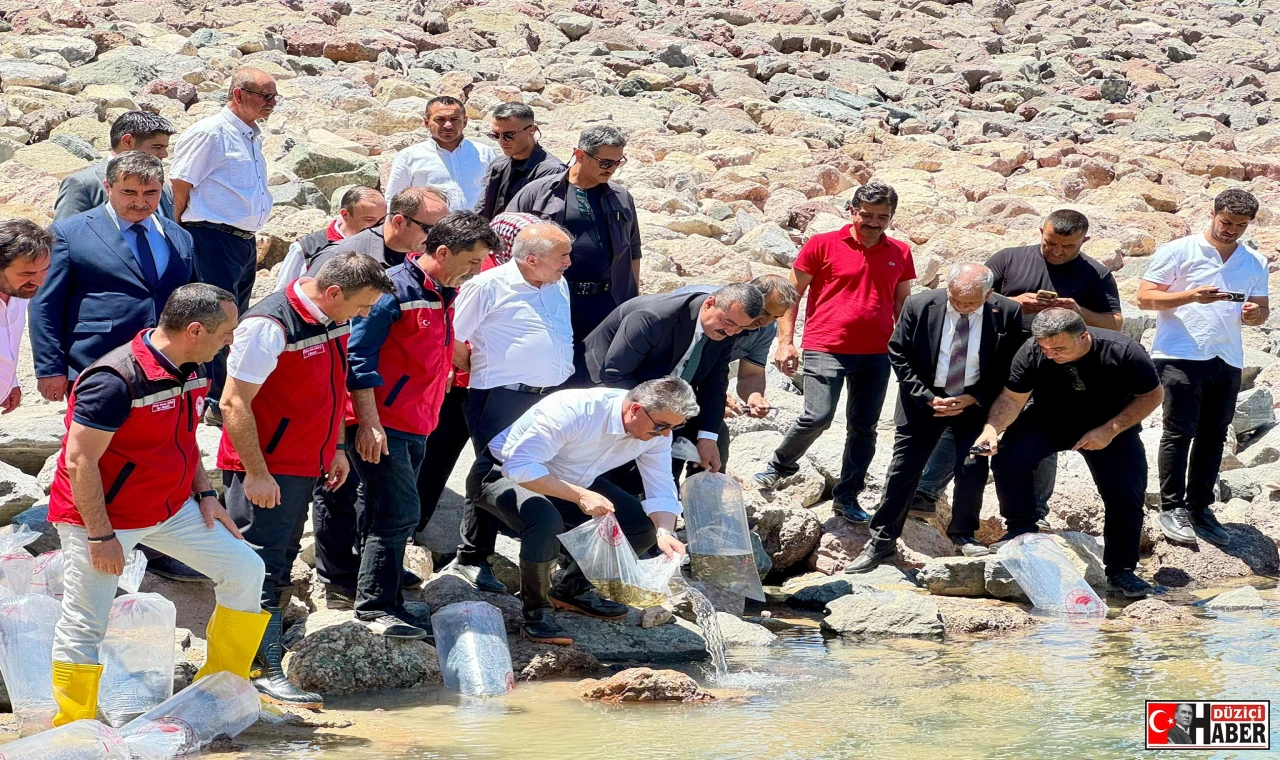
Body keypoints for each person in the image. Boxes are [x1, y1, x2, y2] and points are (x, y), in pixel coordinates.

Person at [46, 284, 267, 727]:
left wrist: (206, 494)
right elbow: (79, 459)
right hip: (103, 517)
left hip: (169, 508)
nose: (230, 341)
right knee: (85, 622)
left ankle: (224, 690)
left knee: (245, 569)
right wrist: (100, 536)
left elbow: (183, 438)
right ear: (195, 329)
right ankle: (73, 728)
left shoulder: (196, 365)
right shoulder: (114, 379)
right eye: (226, 332)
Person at [217, 252, 393, 708]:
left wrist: (335, 446)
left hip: (305, 460)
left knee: (279, 560)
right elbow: (233, 403)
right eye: (359, 308)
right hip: (268, 467)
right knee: (259, 564)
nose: (362, 316)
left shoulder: (330, 317)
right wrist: (256, 473)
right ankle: (256, 669)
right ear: (333, 292)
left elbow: (331, 386)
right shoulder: (270, 326)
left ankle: (260, 662)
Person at [315, 213, 494, 639]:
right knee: (399, 512)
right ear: (444, 252)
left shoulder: (442, 291)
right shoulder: (394, 290)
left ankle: (385, 595)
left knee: (385, 510)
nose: (476, 272)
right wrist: (368, 423)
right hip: (383, 423)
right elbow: (356, 358)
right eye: (472, 261)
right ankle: (376, 607)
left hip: (417, 421)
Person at [912, 210, 1123, 524]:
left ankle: (1035, 511)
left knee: (1043, 432)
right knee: (966, 420)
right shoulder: (1009, 259)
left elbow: (1115, 324)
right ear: (1041, 231)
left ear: (1085, 241)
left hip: (1056, 366)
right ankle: (926, 492)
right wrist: (1009, 303)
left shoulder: (1096, 274)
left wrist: (1078, 310)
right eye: (1051, 243)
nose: (1058, 252)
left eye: (1068, 247)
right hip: (998, 360)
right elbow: (966, 297)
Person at [476, 378, 693, 645]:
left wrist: (665, 531)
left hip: (573, 479)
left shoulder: (657, 431)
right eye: (661, 425)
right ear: (635, 409)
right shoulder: (576, 408)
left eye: (674, 427)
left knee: (640, 527)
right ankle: (537, 614)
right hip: (501, 473)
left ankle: (572, 589)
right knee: (545, 521)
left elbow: (660, 486)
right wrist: (579, 495)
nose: (664, 434)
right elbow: (520, 467)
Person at [844, 264, 1023, 574]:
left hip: (973, 401)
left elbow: (1007, 363)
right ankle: (881, 542)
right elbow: (898, 352)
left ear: (989, 295)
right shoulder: (920, 304)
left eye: (971, 303)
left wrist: (975, 396)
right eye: (956, 300)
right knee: (903, 471)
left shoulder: (1006, 311)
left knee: (973, 465)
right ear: (948, 289)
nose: (962, 308)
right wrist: (927, 397)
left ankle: (963, 534)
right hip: (923, 400)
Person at [975, 308, 1164, 598]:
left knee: (1126, 493)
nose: (1050, 354)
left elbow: (1152, 396)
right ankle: (1021, 531)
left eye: (1059, 348)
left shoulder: (1123, 350)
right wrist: (992, 429)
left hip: (1110, 424)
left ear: (1084, 336)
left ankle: (1121, 570)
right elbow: (1012, 398)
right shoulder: (1032, 350)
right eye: (1045, 347)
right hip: (1049, 420)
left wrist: (1110, 430)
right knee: (1010, 456)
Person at [756, 182, 915, 523]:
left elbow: (902, 304)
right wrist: (785, 341)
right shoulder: (821, 244)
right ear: (852, 211)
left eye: (882, 217)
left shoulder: (900, 252)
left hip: (877, 353)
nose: (873, 223)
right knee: (818, 416)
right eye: (866, 215)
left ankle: (848, 496)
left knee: (864, 427)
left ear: (891, 217)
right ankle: (779, 465)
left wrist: (907, 348)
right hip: (825, 345)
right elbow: (789, 295)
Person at [412, 210, 546, 587]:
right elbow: (452, 327)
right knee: (439, 457)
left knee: (489, 466)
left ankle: (475, 551)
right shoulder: (479, 271)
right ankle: (416, 532)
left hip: (493, 386)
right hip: (463, 383)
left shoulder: (531, 277)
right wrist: (465, 360)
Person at [443, 223, 575, 591]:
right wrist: (476, 367)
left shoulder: (557, 283)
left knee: (537, 466)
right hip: (501, 395)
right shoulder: (487, 286)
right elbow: (452, 334)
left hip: (548, 395)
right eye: (561, 255)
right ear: (530, 259)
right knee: (493, 473)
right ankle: (471, 556)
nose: (569, 262)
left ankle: (542, 543)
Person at [1139, 189, 1268, 548]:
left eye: (1240, 226)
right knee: (1179, 432)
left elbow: (1261, 311)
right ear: (1212, 213)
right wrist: (1189, 296)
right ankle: (1172, 507)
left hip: (1227, 357)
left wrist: (1255, 315)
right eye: (1226, 222)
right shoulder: (1178, 250)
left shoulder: (1254, 261)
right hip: (1178, 353)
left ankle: (1200, 507)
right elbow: (1145, 296)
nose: (1231, 230)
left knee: (1215, 434)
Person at [32, 152, 195, 403]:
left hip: (167, 366)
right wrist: (50, 369)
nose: (140, 202)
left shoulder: (178, 236)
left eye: (150, 193)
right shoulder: (69, 233)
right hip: (96, 365)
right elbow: (45, 305)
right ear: (107, 187)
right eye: (129, 192)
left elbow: (191, 300)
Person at [169, 67, 277, 425]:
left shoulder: (249, 136)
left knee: (234, 321)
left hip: (243, 242)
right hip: (211, 237)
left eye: (274, 97)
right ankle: (213, 398)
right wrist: (181, 235)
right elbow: (181, 187)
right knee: (214, 319)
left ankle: (224, 393)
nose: (271, 103)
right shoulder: (211, 133)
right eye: (265, 96)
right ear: (238, 94)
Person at [507, 124, 643, 377]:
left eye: (617, 162)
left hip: (606, 301)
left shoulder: (622, 197)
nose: (611, 169)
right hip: (551, 299)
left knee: (597, 373)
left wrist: (631, 298)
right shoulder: (538, 193)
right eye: (604, 162)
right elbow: (505, 244)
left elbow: (633, 251)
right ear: (580, 154)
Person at [585, 283, 763, 474]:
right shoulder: (654, 317)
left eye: (740, 328)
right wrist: (660, 419)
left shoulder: (726, 330)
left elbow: (715, 383)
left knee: (717, 437)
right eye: (728, 323)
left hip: (664, 398)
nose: (730, 333)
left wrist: (707, 437)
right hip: (603, 390)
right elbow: (615, 373)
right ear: (709, 303)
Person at [673, 274, 800, 468]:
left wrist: (755, 397)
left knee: (716, 444)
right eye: (764, 312)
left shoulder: (764, 330)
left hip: (706, 387)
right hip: (668, 382)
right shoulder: (713, 309)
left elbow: (751, 373)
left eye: (775, 317)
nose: (765, 322)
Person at [54, 111, 177, 222]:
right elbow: (64, 237)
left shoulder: (163, 187)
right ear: (128, 141)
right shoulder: (84, 184)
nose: (164, 154)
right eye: (157, 147)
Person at [386, 96, 498, 211]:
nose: (448, 125)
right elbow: (394, 201)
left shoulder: (485, 153)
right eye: (440, 119)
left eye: (454, 119)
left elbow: (499, 194)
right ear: (426, 122)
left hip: (479, 226)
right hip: (431, 228)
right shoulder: (408, 157)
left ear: (464, 122)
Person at [306, 186, 450, 273]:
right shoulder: (339, 256)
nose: (436, 239)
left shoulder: (432, 257)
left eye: (441, 230)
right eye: (429, 229)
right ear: (398, 222)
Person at [274, 186, 386, 290]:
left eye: (383, 220)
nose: (379, 227)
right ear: (345, 214)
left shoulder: (386, 244)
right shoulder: (307, 249)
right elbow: (283, 293)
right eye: (370, 220)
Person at [476, 103, 565, 219]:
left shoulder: (552, 171)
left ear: (532, 130)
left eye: (509, 135)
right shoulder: (498, 164)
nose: (502, 141)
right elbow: (482, 207)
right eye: (496, 135)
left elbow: (544, 220)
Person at [0, 220, 51, 415]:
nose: (39, 281)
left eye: (44, 269)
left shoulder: (19, 294)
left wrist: (9, 382)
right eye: (27, 273)